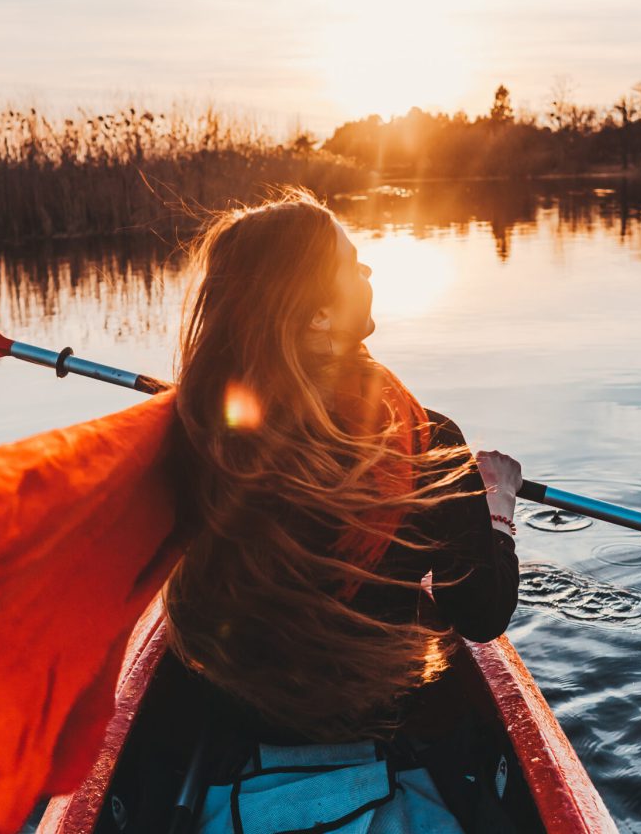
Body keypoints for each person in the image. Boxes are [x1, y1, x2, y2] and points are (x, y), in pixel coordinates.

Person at [161, 188, 523, 832]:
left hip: (242, 717)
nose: (369, 272)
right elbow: (481, 615)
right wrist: (494, 503)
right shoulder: (425, 437)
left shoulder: (203, 431)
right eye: (351, 264)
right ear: (319, 315)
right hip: (378, 719)